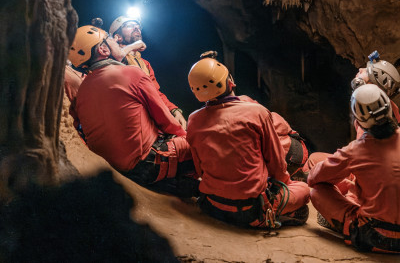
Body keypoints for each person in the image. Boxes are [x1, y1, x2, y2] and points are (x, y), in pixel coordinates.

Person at [186, 52, 310, 228]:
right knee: (304, 190)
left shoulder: (193, 120)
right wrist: (285, 184)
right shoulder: (256, 112)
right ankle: (276, 212)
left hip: (212, 204)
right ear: (230, 82)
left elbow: (199, 169)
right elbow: (276, 163)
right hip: (251, 209)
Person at [308, 84, 400, 254]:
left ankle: (347, 228)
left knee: (316, 191)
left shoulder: (356, 150)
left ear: (359, 120)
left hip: (373, 236)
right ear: (389, 108)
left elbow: (313, 179)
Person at [70, 25, 197, 196]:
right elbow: (167, 123)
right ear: (103, 49)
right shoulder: (132, 73)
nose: (115, 42)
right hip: (145, 164)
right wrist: (186, 137)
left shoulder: (82, 90)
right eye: (110, 39)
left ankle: (176, 184)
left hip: (112, 166)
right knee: (202, 142)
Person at [109, 15, 187, 129]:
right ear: (118, 36)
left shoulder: (145, 64)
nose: (136, 28)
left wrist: (174, 110)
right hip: (127, 120)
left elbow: (155, 92)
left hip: (149, 119)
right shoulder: (109, 58)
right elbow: (116, 62)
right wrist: (133, 46)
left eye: (138, 26)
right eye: (130, 26)